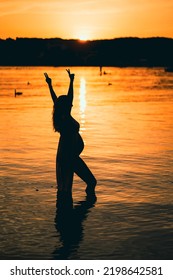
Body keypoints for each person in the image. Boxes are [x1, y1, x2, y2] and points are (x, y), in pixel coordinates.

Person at [44, 69, 97, 197]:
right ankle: (84, 209)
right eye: (68, 103)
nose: (71, 103)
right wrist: (71, 81)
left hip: (70, 157)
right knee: (73, 187)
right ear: (65, 107)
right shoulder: (65, 118)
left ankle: (76, 212)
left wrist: (50, 85)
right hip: (69, 158)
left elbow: (55, 100)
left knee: (67, 189)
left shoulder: (63, 117)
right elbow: (66, 98)